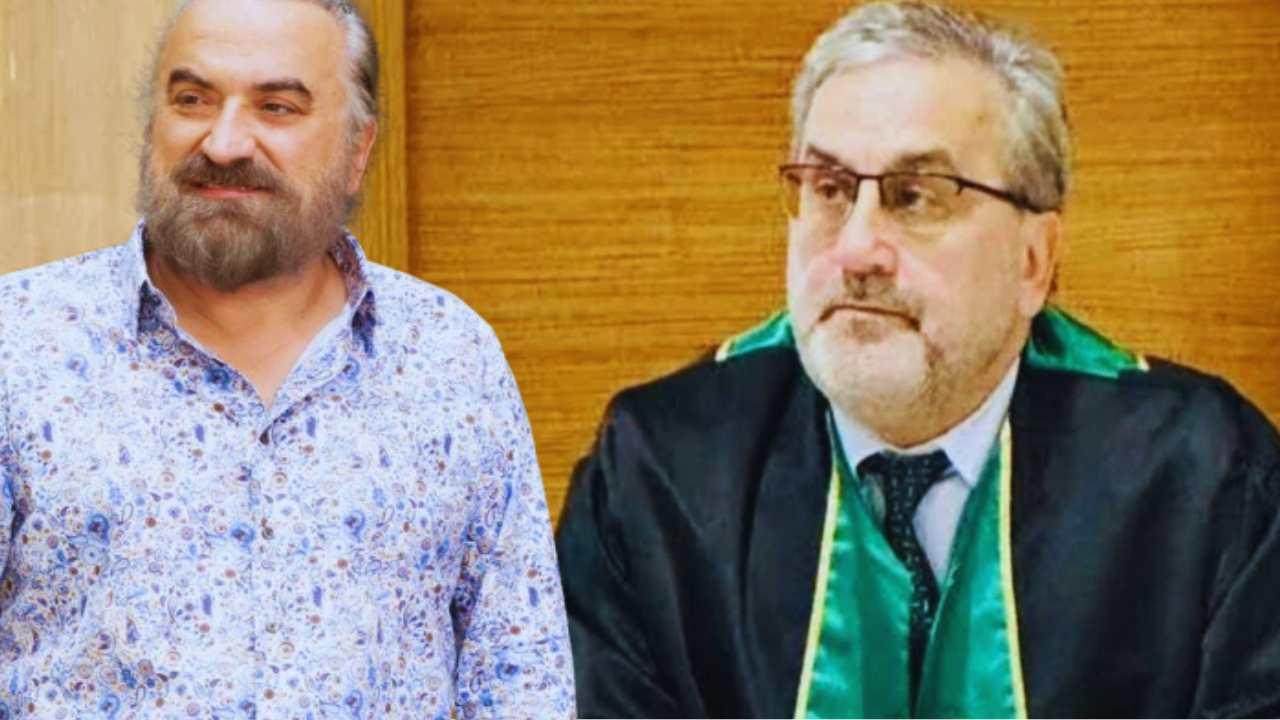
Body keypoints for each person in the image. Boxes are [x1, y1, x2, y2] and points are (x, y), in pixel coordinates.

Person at [556, 1, 1280, 717]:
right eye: (830, 190)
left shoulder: (1206, 481)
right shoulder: (655, 477)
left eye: (917, 197)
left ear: (1034, 261)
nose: (857, 250)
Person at [0, 0, 573, 717]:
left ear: (358, 150)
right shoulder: (21, 345)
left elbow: (519, 678)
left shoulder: (450, 356)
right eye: (192, 100)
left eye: (276, 107)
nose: (224, 142)